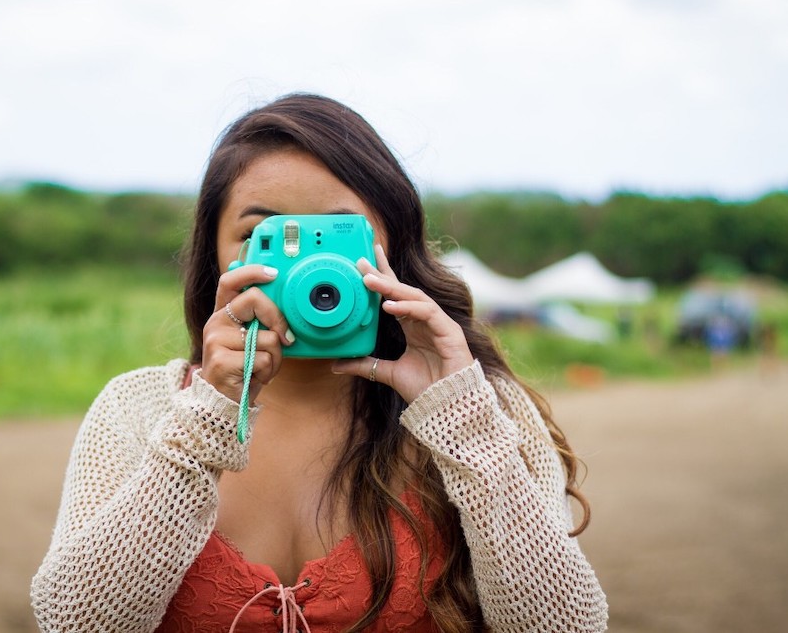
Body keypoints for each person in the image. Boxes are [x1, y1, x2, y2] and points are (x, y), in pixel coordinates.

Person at [31, 94, 608, 632]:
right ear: (214, 251)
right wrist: (206, 414)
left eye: (334, 239)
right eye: (265, 235)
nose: (310, 274)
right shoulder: (139, 410)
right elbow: (75, 621)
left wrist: (463, 421)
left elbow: (567, 624)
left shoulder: (481, 411)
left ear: (392, 246)